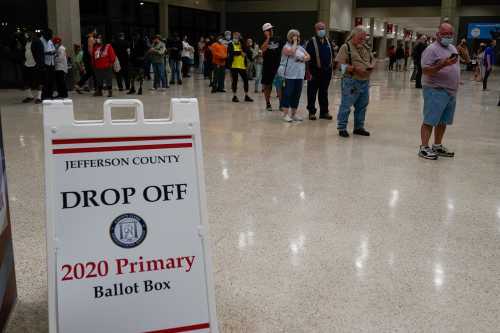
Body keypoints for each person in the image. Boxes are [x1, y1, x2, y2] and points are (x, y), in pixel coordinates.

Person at [418, 22, 460, 160]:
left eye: (450, 34)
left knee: (443, 121)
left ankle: (437, 145)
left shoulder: (452, 47)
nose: (448, 36)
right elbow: (425, 70)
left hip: (450, 91)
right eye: (445, 33)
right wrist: (442, 64)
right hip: (435, 89)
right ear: (438, 34)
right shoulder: (431, 49)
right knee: (430, 120)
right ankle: (424, 147)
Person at [335, 26, 375, 138]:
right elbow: (339, 66)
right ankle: (342, 127)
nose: (362, 41)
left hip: (365, 81)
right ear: (353, 35)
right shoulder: (345, 47)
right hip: (351, 81)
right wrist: (354, 69)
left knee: (362, 105)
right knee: (346, 105)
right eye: (360, 38)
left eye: (364, 38)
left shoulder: (365, 47)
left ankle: (359, 127)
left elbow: (372, 60)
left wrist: (371, 67)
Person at [305, 21, 335, 120]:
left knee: (324, 92)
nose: (322, 30)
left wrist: (332, 68)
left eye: (323, 28)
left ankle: (324, 112)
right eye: (320, 28)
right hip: (314, 71)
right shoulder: (311, 41)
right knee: (312, 92)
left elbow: (332, 55)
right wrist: (309, 71)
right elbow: (307, 57)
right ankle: (311, 112)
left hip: (326, 72)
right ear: (316, 30)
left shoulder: (328, 41)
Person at [279, 29, 310, 122]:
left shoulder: (300, 48)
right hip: (289, 75)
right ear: (291, 37)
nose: (298, 38)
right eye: (296, 36)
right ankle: (285, 114)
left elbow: (308, 56)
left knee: (297, 94)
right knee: (288, 94)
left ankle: (293, 114)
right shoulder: (286, 47)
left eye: (298, 37)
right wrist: (295, 42)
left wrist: (302, 58)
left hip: (299, 75)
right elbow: (291, 52)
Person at [261, 23, 282, 111]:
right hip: (267, 66)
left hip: (278, 66)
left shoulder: (278, 39)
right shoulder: (262, 39)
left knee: (279, 85)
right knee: (267, 86)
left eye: (271, 29)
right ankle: (268, 103)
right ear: (265, 32)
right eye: (269, 30)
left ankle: (281, 104)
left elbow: (282, 51)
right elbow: (263, 49)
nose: (271, 31)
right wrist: (268, 38)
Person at [227, 32, 253, 103]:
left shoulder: (242, 44)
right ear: (233, 37)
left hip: (242, 65)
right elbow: (231, 53)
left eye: (238, 36)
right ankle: (234, 96)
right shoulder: (230, 44)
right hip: (234, 65)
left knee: (246, 80)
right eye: (235, 36)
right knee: (235, 81)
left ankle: (246, 95)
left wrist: (242, 42)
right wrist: (240, 53)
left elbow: (247, 51)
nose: (236, 38)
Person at [21, 31, 44, 103]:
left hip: (35, 64)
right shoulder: (26, 43)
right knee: (25, 81)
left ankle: (39, 97)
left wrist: (40, 64)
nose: (27, 39)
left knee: (39, 81)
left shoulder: (37, 42)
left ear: (32, 36)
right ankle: (30, 96)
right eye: (26, 37)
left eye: (28, 37)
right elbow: (24, 52)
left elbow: (40, 54)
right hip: (27, 64)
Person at [75, 28, 96, 93]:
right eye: (95, 31)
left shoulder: (85, 38)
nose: (96, 32)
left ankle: (78, 85)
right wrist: (93, 57)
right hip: (89, 58)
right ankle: (97, 88)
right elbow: (90, 49)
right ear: (91, 32)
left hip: (86, 57)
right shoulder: (91, 38)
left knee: (89, 73)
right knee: (94, 72)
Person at [40, 29, 56, 100]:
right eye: (49, 35)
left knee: (51, 80)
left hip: (51, 63)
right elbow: (39, 53)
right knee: (45, 81)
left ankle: (50, 95)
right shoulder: (40, 41)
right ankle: (44, 96)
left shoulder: (49, 41)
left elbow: (53, 49)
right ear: (44, 34)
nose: (50, 37)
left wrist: (54, 52)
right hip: (45, 63)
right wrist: (47, 53)